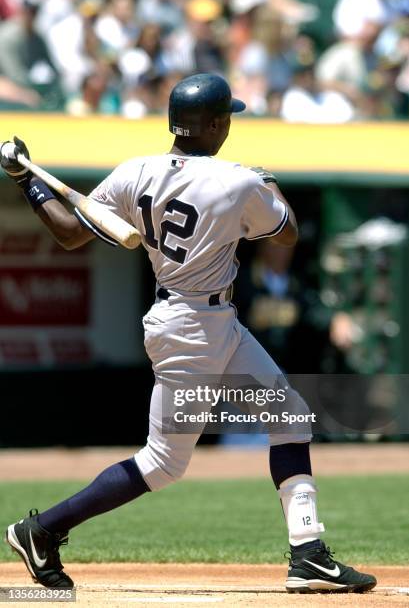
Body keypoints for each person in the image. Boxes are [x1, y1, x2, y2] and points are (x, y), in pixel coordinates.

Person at [1, 73, 376, 595]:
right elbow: (286, 232)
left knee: (289, 416)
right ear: (217, 124)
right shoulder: (237, 181)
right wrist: (268, 183)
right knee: (162, 464)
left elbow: (68, 233)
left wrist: (26, 180)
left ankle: (308, 553)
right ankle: (41, 530)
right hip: (194, 330)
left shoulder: (136, 172)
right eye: (228, 118)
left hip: (206, 322)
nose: (230, 125)